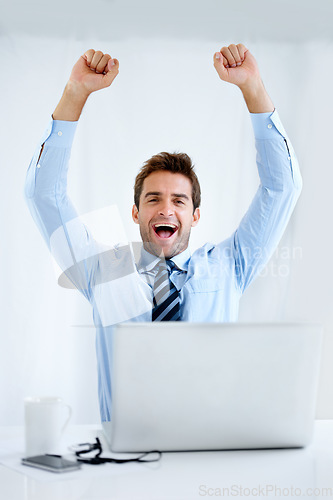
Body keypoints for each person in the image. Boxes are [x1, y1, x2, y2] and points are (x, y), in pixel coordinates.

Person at [25, 43, 302, 421]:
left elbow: (281, 188)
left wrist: (253, 88)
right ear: (137, 213)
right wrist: (75, 94)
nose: (166, 208)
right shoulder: (100, 270)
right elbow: (44, 194)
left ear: (196, 215)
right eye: (153, 199)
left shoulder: (231, 266)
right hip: (125, 461)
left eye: (179, 201)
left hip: (208, 453)